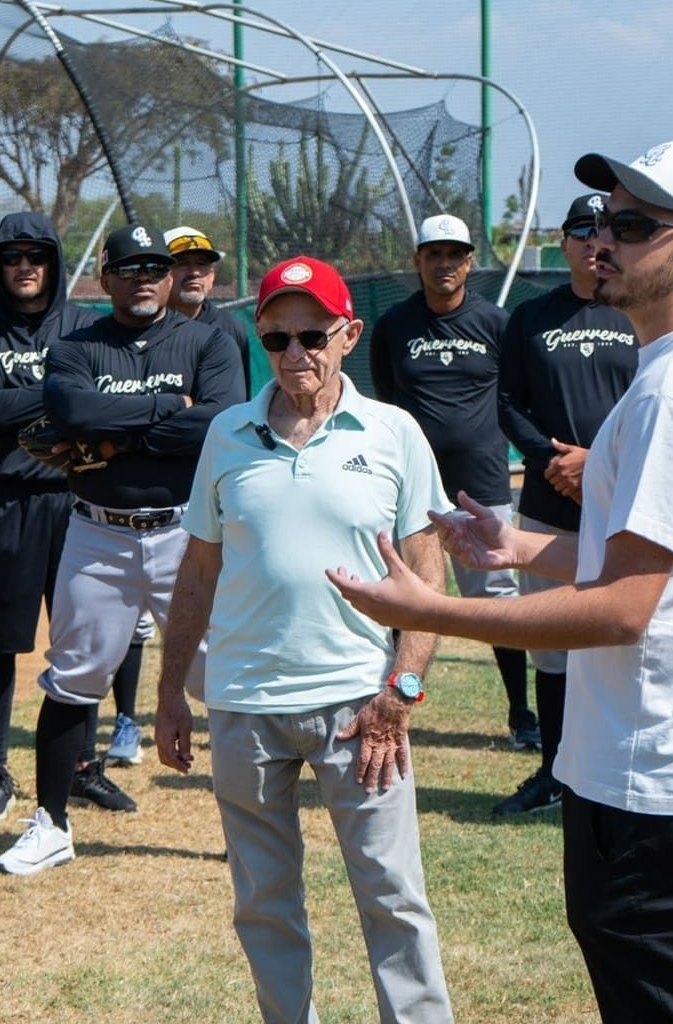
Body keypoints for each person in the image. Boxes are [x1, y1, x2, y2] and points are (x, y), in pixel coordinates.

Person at [333, 139, 673, 1022]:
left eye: (632, 224)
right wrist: (515, 547)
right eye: (598, 221)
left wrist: (430, 613)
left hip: (659, 776)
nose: (602, 241)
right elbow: (669, 558)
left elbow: (625, 608)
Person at [156, 254, 454, 1022]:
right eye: (277, 338)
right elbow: (198, 570)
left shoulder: (393, 433)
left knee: (393, 896)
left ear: (348, 334)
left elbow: (427, 569)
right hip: (244, 705)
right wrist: (169, 692)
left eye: (313, 334)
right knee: (263, 902)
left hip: (361, 708)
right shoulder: (227, 433)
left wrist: (402, 689)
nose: (296, 354)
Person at [0, 224, 243, 874]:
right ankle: (51, 823)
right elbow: (72, 414)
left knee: (222, 676)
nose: (145, 277)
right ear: (106, 278)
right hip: (96, 532)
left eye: (155, 266)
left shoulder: (207, 341)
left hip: (187, 531)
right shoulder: (77, 347)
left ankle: (251, 824)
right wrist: (168, 408)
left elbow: (220, 420)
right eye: (129, 267)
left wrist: (115, 435)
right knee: (73, 676)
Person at [0, 211, 111, 821]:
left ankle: (81, 767)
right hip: (10, 502)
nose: (25, 267)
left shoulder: (88, 327)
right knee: (0, 642)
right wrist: (63, 393)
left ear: (52, 262)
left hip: (80, 501)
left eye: (36, 256)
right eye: (12, 258)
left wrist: (56, 400)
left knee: (84, 639)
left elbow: (101, 404)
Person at [491, 192, 638, 816]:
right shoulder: (531, 317)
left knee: (625, 638)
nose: (591, 242)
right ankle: (553, 770)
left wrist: (599, 464)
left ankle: (615, 769)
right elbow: (506, 403)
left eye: (602, 229)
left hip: (628, 500)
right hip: (551, 501)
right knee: (551, 643)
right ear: (564, 240)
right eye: (580, 230)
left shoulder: (639, 312)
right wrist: (553, 463)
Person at [369, 213, 537, 751]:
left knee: (495, 603)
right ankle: (394, 702)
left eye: (454, 255)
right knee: (405, 597)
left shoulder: (496, 323)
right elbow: (388, 405)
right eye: (433, 254)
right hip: (412, 491)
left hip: (481, 486)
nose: (444, 264)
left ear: (469, 263)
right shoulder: (394, 325)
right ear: (417, 261)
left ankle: (521, 715)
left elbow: (514, 397)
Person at [165, 225, 250, 386]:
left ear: (212, 276)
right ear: (161, 272)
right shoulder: (145, 325)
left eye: (202, 263)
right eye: (182, 263)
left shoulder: (231, 328)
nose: (194, 272)